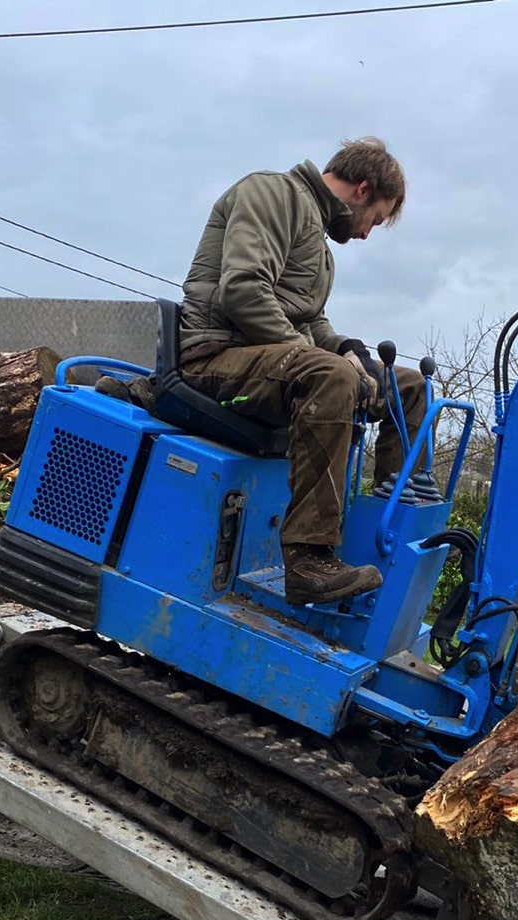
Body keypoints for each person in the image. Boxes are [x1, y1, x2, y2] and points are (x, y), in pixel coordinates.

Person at [175, 138, 426, 606]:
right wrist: (332, 362)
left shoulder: (315, 236)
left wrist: (350, 350)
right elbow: (244, 292)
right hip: (217, 356)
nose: (368, 234)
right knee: (332, 377)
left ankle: (385, 535)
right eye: (374, 218)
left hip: (268, 361)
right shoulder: (273, 194)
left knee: (408, 387)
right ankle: (308, 559)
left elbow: (308, 322)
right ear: (362, 189)